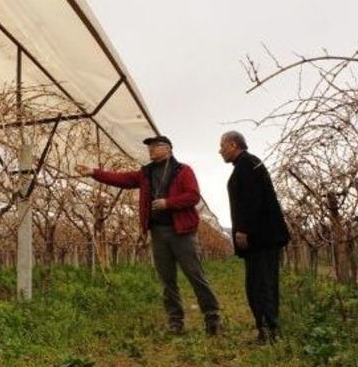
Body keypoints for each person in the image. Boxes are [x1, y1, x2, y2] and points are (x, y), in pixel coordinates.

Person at [76, 135, 221, 335]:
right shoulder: (146, 173)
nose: (151, 149)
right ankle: (175, 321)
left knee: (194, 274)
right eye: (149, 147)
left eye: (155, 146)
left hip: (181, 232)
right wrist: (94, 172)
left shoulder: (183, 171)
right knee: (166, 278)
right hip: (159, 232)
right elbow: (123, 179)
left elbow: (193, 196)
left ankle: (212, 317)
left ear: (168, 148)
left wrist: (168, 203)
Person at [219, 131, 289, 344]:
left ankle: (268, 331)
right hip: (262, 238)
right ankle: (266, 328)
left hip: (260, 239)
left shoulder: (248, 164)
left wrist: (244, 229)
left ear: (233, 144)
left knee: (261, 285)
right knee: (261, 283)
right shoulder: (247, 164)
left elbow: (253, 199)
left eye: (222, 145)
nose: (220, 150)